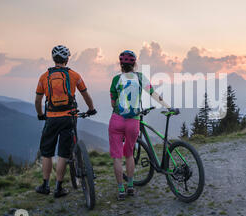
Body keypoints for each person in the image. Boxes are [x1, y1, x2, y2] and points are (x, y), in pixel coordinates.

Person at [34, 45, 97, 198]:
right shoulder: (74, 75)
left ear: (53, 59)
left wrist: (41, 114)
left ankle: (45, 185)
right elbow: (85, 95)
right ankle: (59, 187)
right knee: (63, 153)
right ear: (67, 59)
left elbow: (38, 100)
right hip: (69, 117)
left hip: (51, 118)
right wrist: (91, 108)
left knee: (47, 153)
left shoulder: (44, 77)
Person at [109, 50, 170, 200]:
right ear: (135, 64)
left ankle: (121, 190)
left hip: (117, 120)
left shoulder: (116, 79)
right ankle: (130, 186)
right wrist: (168, 106)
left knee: (117, 157)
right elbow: (154, 94)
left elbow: (112, 103)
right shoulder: (140, 78)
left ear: (121, 64)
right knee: (129, 154)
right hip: (133, 121)